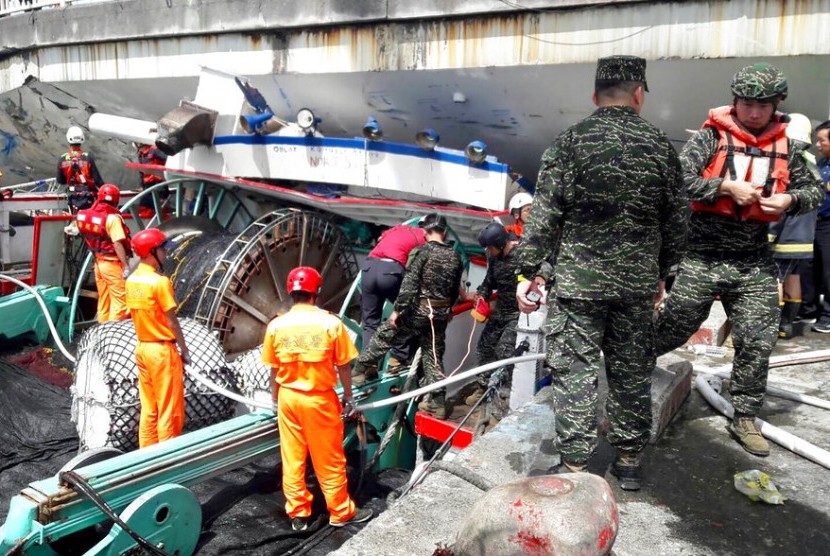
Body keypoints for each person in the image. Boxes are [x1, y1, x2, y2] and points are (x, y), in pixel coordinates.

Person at [515, 55, 688, 490]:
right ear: (639, 93)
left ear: (595, 95)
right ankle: (628, 462)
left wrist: (528, 273)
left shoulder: (569, 142)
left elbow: (545, 217)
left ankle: (575, 465)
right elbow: (678, 220)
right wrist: (664, 273)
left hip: (578, 285)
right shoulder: (662, 147)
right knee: (631, 371)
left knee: (575, 371)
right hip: (635, 287)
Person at [654, 63, 824, 458]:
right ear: (735, 102)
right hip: (701, 255)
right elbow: (679, 179)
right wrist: (724, 186)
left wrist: (790, 199)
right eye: (747, 104)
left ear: (777, 105)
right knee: (674, 326)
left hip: (752, 259)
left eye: (762, 106)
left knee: (757, 338)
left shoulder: (791, 147)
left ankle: (745, 414)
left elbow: (814, 191)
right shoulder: (711, 138)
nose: (753, 113)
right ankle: (631, 370)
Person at [261, 266, 373, 531]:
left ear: (292, 293)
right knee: (329, 458)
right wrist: (348, 396)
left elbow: (274, 368)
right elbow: (344, 366)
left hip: (288, 398)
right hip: (318, 400)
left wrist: (275, 399)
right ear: (317, 293)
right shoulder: (331, 324)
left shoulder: (276, 325)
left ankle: (298, 514)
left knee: (292, 456)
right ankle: (340, 512)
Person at [353, 213, 464, 419]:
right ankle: (438, 403)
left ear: (426, 231)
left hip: (420, 310)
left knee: (386, 333)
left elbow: (410, 283)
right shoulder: (455, 256)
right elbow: (454, 289)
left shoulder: (422, 252)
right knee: (433, 357)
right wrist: (448, 310)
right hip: (438, 315)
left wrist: (398, 311)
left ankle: (360, 369)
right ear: (445, 232)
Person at [126, 228, 190, 448]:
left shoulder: (132, 281)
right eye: (162, 249)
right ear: (152, 252)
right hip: (162, 351)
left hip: (143, 348)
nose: (165, 254)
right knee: (169, 410)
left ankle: (146, 457)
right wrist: (184, 350)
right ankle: (167, 461)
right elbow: (172, 321)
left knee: (149, 408)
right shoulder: (159, 282)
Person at [769, 114, 817, 339]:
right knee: (793, 276)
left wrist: (769, 234)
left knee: (775, 278)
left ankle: (776, 326)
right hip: (803, 238)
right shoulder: (810, 161)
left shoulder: (787, 162)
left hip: (786, 236)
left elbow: (780, 203)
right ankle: (787, 325)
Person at [463, 222, 522, 407]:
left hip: (518, 314)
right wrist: (482, 294)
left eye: (489, 247)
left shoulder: (523, 256)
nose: (488, 250)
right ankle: (482, 387)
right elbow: (489, 281)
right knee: (484, 347)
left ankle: (500, 396)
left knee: (503, 351)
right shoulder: (494, 257)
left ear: (499, 243)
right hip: (501, 311)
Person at [359, 222, 426, 367]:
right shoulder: (425, 236)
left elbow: (379, 239)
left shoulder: (397, 229)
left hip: (369, 268)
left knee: (370, 323)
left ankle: (368, 364)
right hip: (391, 270)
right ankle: (398, 358)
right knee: (406, 312)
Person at [76, 184, 131, 322]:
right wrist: (126, 266)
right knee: (121, 302)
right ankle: (112, 333)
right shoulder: (112, 218)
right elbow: (117, 244)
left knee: (104, 300)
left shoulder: (84, 215)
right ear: (116, 199)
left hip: (98, 264)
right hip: (112, 264)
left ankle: (101, 328)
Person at [799, 120, 830, 333]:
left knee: (829, 272)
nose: (817, 145)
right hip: (814, 223)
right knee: (809, 267)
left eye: (822, 140)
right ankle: (809, 310)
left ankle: (828, 316)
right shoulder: (821, 164)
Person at [57, 126, 105, 214]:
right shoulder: (87, 157)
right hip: (87, 197)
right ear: (82, 139)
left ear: (68, 139)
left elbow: (60, 180)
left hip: (72, 197)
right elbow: (98, 180)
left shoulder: (62, 158)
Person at [136, 143, 169, 217]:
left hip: (159, 184)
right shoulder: (141, 154)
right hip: (148, 185)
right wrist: (142, 186)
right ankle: (147, 218)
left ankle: (163, 218)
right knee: (144, 204)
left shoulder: (154, 150)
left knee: (157, 205)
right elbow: (142, 172)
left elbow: (168, 158)